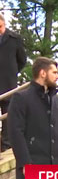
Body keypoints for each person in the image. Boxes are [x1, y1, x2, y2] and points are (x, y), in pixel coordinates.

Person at [0, 13, 27, 152]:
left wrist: (11, 72)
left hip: (7, 83)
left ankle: (6, 146)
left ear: (3, 23)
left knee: (7, 116)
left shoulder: (15, 39)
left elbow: (22, 60)